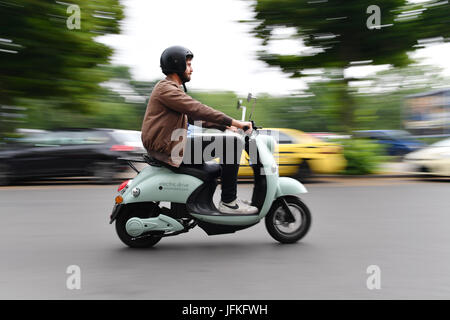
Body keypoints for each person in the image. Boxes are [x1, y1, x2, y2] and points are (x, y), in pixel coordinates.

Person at [141, 45, 258, 214]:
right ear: (178, 65)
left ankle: (199, 206)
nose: (191, 69)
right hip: (170, 149)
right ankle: (229, 203)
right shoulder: (166, 89)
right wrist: (238, 123)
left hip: (172, 146)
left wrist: (225, 126)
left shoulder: (170, 89)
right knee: (231, 145)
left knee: (215, 168)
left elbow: (193, 118)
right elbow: (198, 109)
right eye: (188, 65)